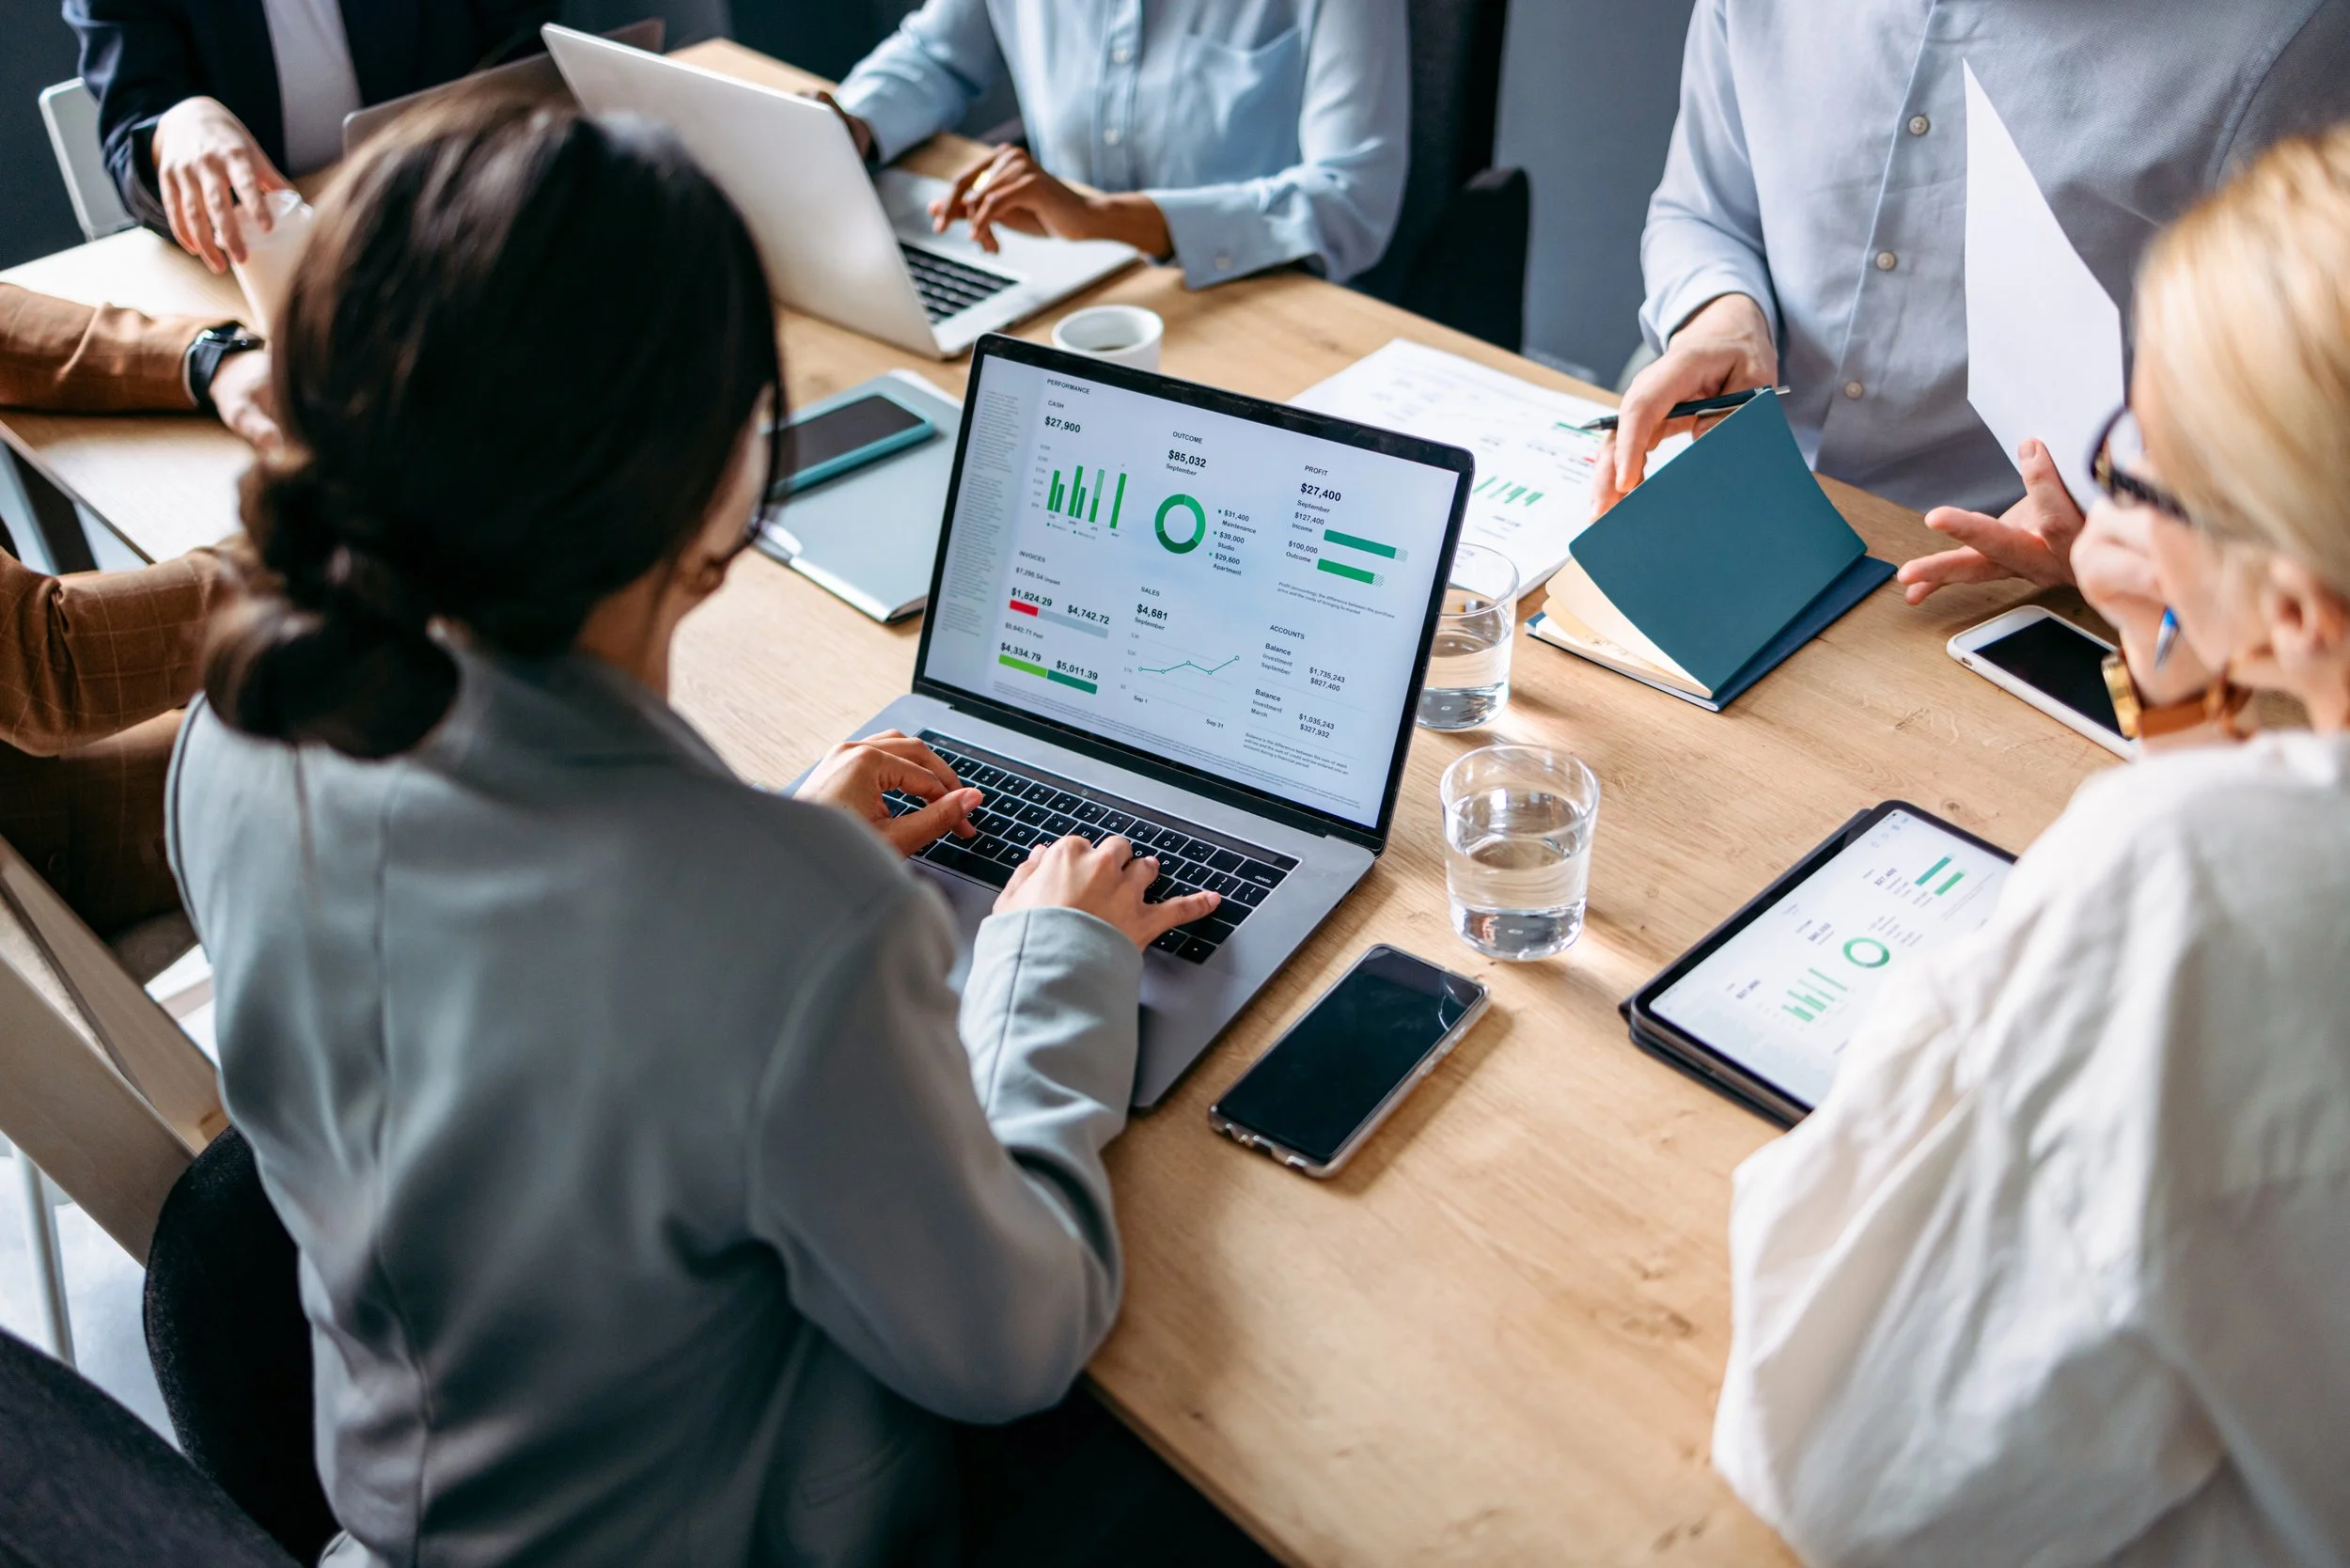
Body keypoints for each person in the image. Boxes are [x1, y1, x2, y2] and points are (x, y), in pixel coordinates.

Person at [167, 99, 1235, 1567]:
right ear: (726, 474)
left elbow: (530, 1032)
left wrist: (770, 863)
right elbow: (1014, 1344)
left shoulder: (237, 734)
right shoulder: (783, 921)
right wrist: (1049, 967)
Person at [1714, 128, 2350, 1564]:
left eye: (2150, 467)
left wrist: (1981, 999)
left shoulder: (2185, 884)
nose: (2110, 485)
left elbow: (1838, 1452)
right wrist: (2178, 683)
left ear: (2297, 612)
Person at [1597, 0, 2350, 604]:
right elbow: (1701, 209)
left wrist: (2138, 526)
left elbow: (2305, 406)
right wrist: (1721, 316)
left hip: (2031, 580)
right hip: (1738, 481)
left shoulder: (2285, 38)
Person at [0, 281, 274, 937]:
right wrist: (326, 542)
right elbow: (50, 671)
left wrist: (208, 359)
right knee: (375, 714)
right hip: (26, 818)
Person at [822, 0, 1408, 290]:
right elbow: (937, 55)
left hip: (1248, 293)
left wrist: (1104, 219)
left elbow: (1352, 198)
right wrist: (851, 123)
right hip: (1056, 278)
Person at [64, 0, 558, 272]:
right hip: (281, 268)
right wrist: (176, 125)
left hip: (469, 227)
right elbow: (136, 122)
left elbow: (530, 58)